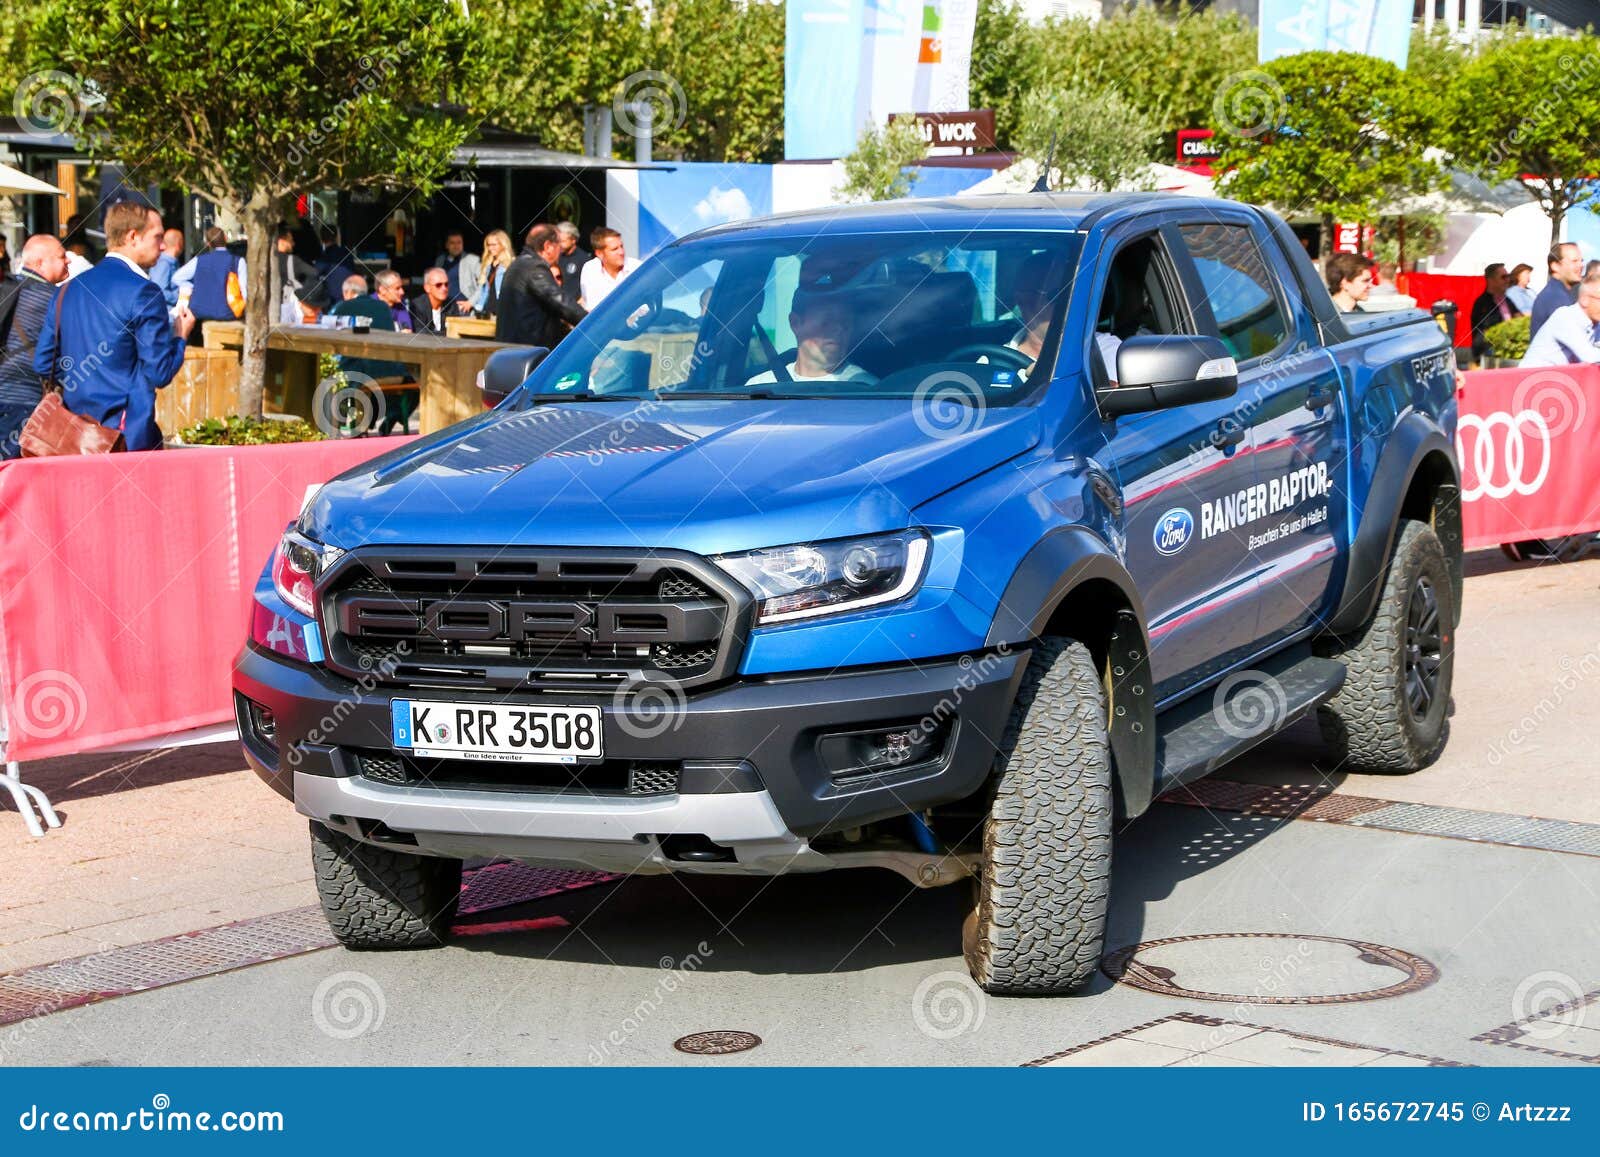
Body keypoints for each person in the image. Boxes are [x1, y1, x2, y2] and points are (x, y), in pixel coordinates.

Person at [32, 201, 195, 451]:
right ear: (133, 237)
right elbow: (159, 372)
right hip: (125, 436)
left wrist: (82, 384)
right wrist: (180, 337)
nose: (163, 246)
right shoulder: (144, 291)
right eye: (157, 236)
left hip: (74, 434)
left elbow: (44, 362)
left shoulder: (67, 290)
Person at [0, 234, 70, 458]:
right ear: (40, 263)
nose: (68, 260)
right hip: (25, 401)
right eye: (61, 257)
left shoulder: (6, 287)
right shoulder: (54, 298)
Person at [329, 272, 416, 435]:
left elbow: (333, 340)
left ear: (347, 293)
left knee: (338, 375)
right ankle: (387, 419)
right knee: (415, 383)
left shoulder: (342, 307)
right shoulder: (382, 307)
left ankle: (353, 428)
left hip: (363, 375)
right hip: (393, 372)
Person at [746, 291, 875, 386]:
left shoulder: (868, 390)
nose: (839, 329)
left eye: (845, 322)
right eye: (827, 321)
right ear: (795, 323)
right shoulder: (758, 387)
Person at [496, 224, 586, 346]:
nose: (560, 251)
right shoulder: (534, 268)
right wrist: (592, 321)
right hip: (529, 350)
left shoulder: (519, 263)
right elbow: (561, 302)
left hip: (513, 347)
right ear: (548, 246)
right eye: (558, 245)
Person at [173, 226, 246, 342]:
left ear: (208, 244)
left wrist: (192, 286)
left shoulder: (199, 260)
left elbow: (177, 277)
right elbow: (245, 290)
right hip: (228, 314)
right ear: (226, 239)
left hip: (199, 314)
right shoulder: (237, 261)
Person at [1519, 272, 1600, 367]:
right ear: (1584, 300)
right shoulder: (1565, 317)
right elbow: (1591, 358)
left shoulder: (1595, 323)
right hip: (1531, 379)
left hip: (1557, 378)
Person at [1470, 262, 1524, 362]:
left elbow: (1520, 319)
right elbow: (1489, 331)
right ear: (1491, 281)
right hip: (1489, 353)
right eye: (1503, 277)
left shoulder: (1507, 300)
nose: (1508, 280)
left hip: (1506, 350)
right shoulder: (1482, 304)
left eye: (1508, 276)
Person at [579, 227, 641, 310]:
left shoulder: (636, 266)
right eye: (615, 249)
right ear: (599, 253)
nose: (621, 252)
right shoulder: (590, 269)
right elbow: (594, 309)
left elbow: (645, 306)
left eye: (621, 246)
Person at [269, 225, 322, 320]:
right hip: (287, 309)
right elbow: (314, 273)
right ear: (281, 240)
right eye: (290, 240)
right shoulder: (292, 261)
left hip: (268, 309)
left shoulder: (266, 260)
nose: (293, 244)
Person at [1531, 241, 1583, 337]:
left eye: (1581, 261)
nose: (1581, 265)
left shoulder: (1563, 293)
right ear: (1555, 266)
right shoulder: (1554, 297)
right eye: (1574, 261)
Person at [312, 226, 359, 308]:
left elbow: (314, 273)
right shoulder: (347, 253)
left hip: (332, 301)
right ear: (336, 237)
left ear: (321, 238)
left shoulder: (324, 257)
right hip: (350, 296)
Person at [471, 229, 513, 317]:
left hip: (504, 309)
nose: (490, 248)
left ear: (503, 245)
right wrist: (479, 307)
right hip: (489, 308)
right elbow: (486, 289)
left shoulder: (510, 264)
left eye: (494, 245)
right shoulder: (488, 264)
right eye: (488, 245)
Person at [435, 230, 479, 310]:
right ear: (447, 245)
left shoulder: (472, 260)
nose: (456, 246)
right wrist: (411, 280)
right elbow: (431, 280)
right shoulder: (440, 260)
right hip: (443, 307)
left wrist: (471, 302)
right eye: (452, 243)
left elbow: (484, 286)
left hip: (464, 308)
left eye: (459, 243)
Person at [408, 267, 456, 335]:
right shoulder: (417, 306)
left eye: (446, 284)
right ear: (427, 288)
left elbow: (456, 330)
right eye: (438, 285)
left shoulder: (451, 304)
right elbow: (420, 333)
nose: (444, 288)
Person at [555, 221, 589, 309]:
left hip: (575, 309)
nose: (559, 244)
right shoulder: (556, 257)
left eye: (562, 241)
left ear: (573, 240)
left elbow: (588, 287)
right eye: (557, 241)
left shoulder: (584, 259)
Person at [150, 228, 184, 308]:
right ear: (179, 243)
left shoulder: (171, 263)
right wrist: (180, 299)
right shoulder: (164, 264)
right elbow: (158, 291)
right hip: (167, 315)